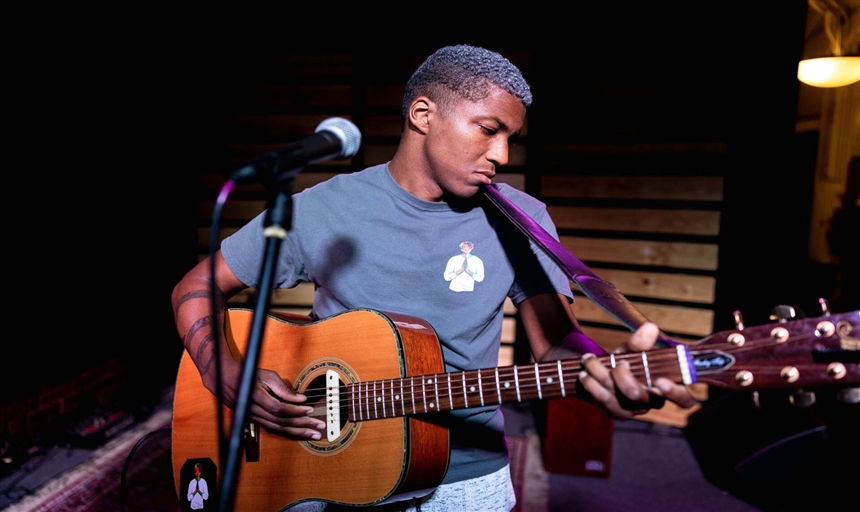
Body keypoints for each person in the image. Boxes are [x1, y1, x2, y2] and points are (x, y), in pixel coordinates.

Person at [171, 44, 697, 512]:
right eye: (489, 130)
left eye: (510, 138)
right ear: (424, 114)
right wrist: (230, 374)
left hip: (465, 478)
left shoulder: (523, 216)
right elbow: (194, 288)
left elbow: (557, 342)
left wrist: (598, 374)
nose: (501, 155)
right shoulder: (323, 208)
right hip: (319, 463)